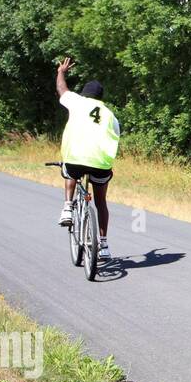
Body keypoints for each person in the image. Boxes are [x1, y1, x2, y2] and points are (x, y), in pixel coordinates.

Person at [54, 57, 121, 259]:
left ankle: (67, 207)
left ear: (84, 94)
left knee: (69, 169)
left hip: (76, 159)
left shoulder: (77, 102)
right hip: (101, 163)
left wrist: (61, 71)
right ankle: (104, 245)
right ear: (101, 97)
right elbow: (117, 134)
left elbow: (61, 89)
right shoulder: (110, 114)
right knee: (101, 202)